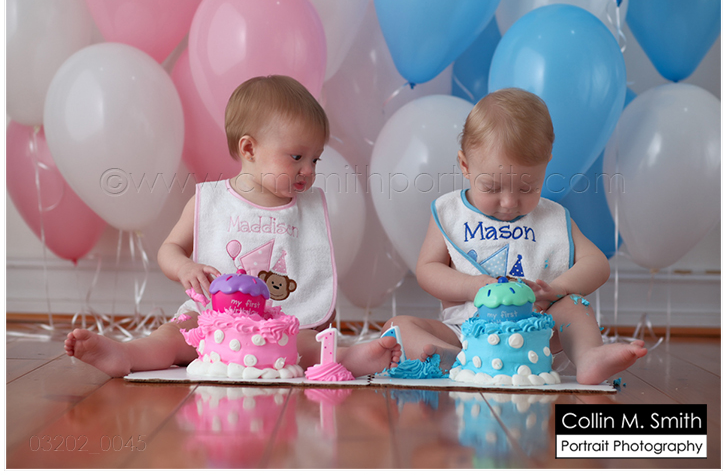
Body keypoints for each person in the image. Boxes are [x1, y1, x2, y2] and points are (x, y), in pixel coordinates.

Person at [65, 75, 400, 378]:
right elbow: (169, 249)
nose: (309, 170)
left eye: (315, 159)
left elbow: (311, 269)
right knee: (174, 336)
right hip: (211, 319)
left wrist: (318, 313)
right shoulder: (210, 201)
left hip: (279, 328)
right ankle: (127, 354)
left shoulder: (307, 209)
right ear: (249, 148)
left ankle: (348, 358)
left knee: (309, 345)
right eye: (297, 157)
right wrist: (184, 267)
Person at [387, 88, 647, 385]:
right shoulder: (451, 213)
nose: (509, 202)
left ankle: (589, 356)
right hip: (464, 332)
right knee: (398, 326)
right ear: (465, 166)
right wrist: (471, 286)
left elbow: (597, 264)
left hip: (537, 333)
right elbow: (427, 269)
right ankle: (456, 358)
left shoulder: (552, 218)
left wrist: (558, 289)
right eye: (492, 188)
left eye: (526, 188)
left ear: (545, 166)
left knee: (575, 306)